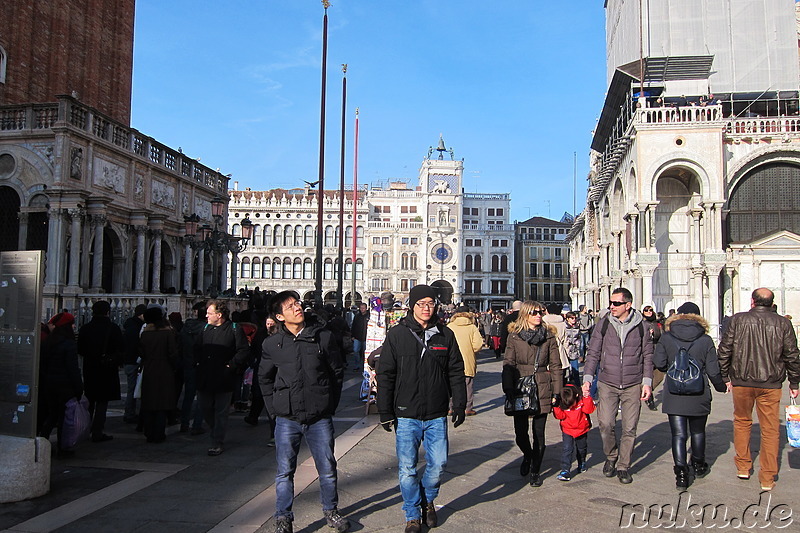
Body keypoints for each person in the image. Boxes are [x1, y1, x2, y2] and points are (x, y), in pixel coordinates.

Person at [377, 285, 466, 533]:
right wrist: (385, 411)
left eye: (430, 303)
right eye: (421, 304)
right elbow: (386, 374)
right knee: (407, 468)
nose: (426, 308)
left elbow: (456, 371)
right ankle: (412, 515)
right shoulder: (397, 335)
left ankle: (428, 498)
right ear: (411, 306)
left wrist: (459, 403)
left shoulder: (445, 335)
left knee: (438, 464)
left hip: (436, 411)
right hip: (406, 413)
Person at [259, 291, 350, 533]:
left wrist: (329, 404)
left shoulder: (323, 337)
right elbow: (264, 378)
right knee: (284, 471)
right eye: (290, 306)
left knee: (327, 468)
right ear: (280, 316)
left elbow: (336, 372)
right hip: (287, 417)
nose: (297, 308)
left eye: (297, 303)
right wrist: (273, 409)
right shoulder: (272, 344)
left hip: (319, 416)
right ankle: (283, 518)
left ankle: (331, 511)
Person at [717, 288, 800, 491]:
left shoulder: (737, 320)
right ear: (772, 303)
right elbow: (792, 354)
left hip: (742, 381)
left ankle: (744, 466)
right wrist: (795, 383)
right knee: (771, 430)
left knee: (742, 422)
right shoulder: (783, 323)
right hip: (771, 383)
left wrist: (725, 376)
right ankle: (767, 477)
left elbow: (725, 349)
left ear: (752, 302)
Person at [582, 287, 653, 484]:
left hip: (632, 383)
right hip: (607, 382)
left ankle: (623, 465)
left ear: (628, 305)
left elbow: (648, 356)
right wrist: (587, 378)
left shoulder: (642, 327)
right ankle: (611, 456)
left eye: (616, 303)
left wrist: (647, 383)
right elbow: (593, 352)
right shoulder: (603, 324)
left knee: (630, 427)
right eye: (611, 303)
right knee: (605, 423)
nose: (611, 306)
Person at [653, 302, 727, 490]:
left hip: (674, 392)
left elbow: (659, 363)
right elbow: (713, 369)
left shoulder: (667, 337)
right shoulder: (705, 339)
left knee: (678, 434)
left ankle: (681, 474)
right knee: (698, 431)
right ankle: (699, 465)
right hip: (698, 392)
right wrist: (720, 386)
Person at [503, 300, 562, 487]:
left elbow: (556, 365)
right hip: (520, 386)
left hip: (542, 384)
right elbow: (508, 363)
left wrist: (557, 391)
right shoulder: (514, 336)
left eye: (540, 312)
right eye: (534, 312)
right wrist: (508, 387)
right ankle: (528, 455)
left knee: (539, 434)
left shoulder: (549, 336)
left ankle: (536, 470)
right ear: (525, 315)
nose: (538, 315)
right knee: (520, 433)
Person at [194, 300, 250, 456]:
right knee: (205, 408)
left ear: (219, 315)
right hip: (205, 376)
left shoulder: (234, 329)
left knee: (221, 411)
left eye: (209, 313)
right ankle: (214, 430)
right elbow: (196, 348)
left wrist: (231, 366)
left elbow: (243, 350)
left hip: (224, 377)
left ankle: (217, 441)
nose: (206, 315)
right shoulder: (205, 329)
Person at [77, 300, 124, 443]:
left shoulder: (85, 328)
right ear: (108, 312)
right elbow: (120, 349)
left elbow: (80, 349)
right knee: (102, 402)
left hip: (90, 368)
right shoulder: (113, 328)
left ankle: (84, 428)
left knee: (89, 400)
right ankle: (97, 431)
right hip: (107, 369)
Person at [38, 312, 83, 457]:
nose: (74, 326)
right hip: (65, 386)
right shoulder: (69, 344)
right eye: (72, 324)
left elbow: (43, 365)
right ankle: (63, 448)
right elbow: (72, 369)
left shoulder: (48, 341)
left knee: (51, 416)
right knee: (64, 417)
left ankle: (42, 442)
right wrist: (78, 388)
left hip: (50, 384)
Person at [138, 306, 179, 443]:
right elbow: (173, 353)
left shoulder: (145, 334)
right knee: (162, 402)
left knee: (149, 402)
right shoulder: (167, 333)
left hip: (149, 369)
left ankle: (149, 432)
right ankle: (159, 433)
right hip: (165, 369)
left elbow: (141, 352)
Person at [552, 383, 594, 481]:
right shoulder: (564, 401)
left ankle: (582, 462)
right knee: (567, 449)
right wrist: (556, 406)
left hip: (581, 429)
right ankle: (565, 469)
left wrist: (587, 397)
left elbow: (589, 410)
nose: (570, 407)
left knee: (581, 448)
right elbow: (560, 416)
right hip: (567, 429)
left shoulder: (580, 400)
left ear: (576, 396)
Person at [447, 306, 483, 416]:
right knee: (468, 385)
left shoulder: (450, 326)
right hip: (467, 360)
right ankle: (468, 408)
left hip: (452, 361)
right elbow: (478, 344)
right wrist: (471, 350)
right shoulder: (472, 327)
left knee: (452, 384)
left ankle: (450, 407)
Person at [179, 301, 207, 434]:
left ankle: (184, 423)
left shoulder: (185, 327)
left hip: (188, 363)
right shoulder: (206, 329)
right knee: (201, 396)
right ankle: (197, 424)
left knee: (188, 396)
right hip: (201, 365)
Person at [122, 304, 147, 424]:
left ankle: (130, 412)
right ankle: (129, 413)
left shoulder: (129, 326)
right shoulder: (137, 328)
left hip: (128, 360)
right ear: (141, 314)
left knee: (132, 388)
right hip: (134, 360)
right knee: (133, 389)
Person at [642, 305, 663, 411]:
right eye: (646, 310)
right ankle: (650, 400)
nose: (649, 312)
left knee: (660, 374)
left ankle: (647, 390)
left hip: (657, 351)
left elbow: (662, 336)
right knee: (648, 373)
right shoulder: (642, 323)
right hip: (646, 352)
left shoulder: (657, 323)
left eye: (650, 310)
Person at [563, 312, 582, 386]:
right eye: (572, 318)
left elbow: (579, 338)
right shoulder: (564, 326)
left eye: (575, 318)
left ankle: (578, 388)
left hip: (574, 352)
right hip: (566, 351)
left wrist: (577, 345)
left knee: (576, 371)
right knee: (565, 372)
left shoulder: (577, 327)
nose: (574, 319)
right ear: (567, 319)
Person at [351, 302, 369, 369]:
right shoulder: (357, 316)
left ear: (366, 308)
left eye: (363, 308)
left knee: (365, 352)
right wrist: (352, 335)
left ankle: (365, 365)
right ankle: (357, 365)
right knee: (355, 351)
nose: (362, 310)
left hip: (366, 337)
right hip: (357, 337)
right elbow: (354, 326)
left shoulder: (369, 316)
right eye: (361, 308)